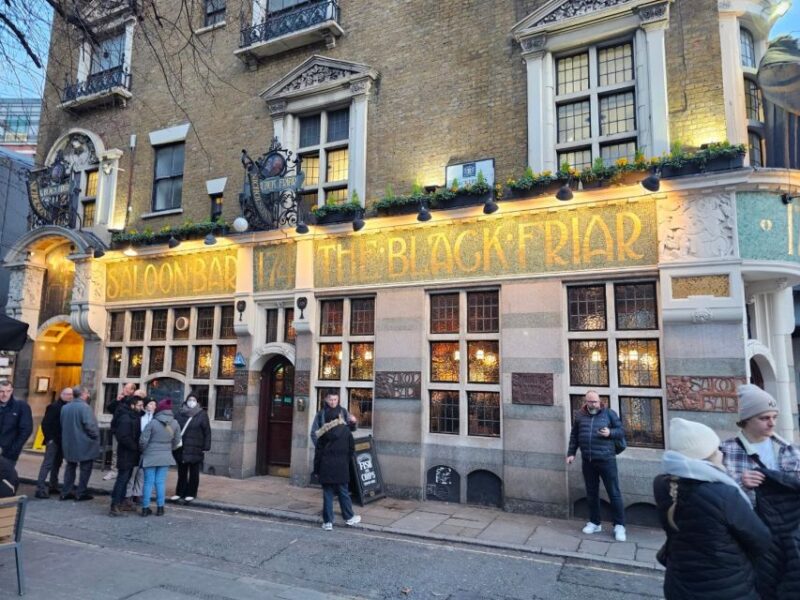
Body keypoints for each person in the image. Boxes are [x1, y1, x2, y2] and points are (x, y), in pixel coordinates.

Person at [654, 418, 770, 600]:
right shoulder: (724, 493)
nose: (721, 454)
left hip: (679, 584)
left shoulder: (662, 484)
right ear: (705, 455)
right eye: (716, 449)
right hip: (726, 586)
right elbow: (761, 539)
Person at [720, 384, 800, 599]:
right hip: (751, 534)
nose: (772, 422)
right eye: (764, 418)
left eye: (774, 416)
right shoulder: (725, 451)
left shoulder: (789, 449)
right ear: (746, 420)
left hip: (789, 534)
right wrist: (741, 483)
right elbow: (718, 498)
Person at [566, 390, 626, 541]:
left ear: (600, 401)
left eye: (595, 402)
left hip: (607, 460)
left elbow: (621, 431)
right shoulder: (580, 416)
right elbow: (575, 436)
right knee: (591, 493)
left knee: (614, 493)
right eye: (590, 402)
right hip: (588, 461)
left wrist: (610, 433)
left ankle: (619, 526)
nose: (593, 404)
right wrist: (571, 453)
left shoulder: (609, 414)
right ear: (585, 401)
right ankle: (594, 522)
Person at [312, 392, 361, 530]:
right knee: (343, 491)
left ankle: (328, 522)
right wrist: (345, 458)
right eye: (331, 399)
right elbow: (351, 446)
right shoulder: (322, 415)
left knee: (328, 493)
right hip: (341, 464)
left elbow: (318, 450)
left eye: (335, 399)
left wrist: (317, 467)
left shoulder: (323, 433)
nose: (333, 402)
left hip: (326, 464)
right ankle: (349, 517)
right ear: (326, 399)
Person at [139, 399, 181, 517]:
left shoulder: (153, 423)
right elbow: (177, 441)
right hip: (165, 456)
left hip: (150, 455)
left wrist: (144, 451)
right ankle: (160, 508)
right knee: (160, 482)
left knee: (148, 482)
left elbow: (143, 441)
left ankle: (145, 508)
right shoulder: (175, 423)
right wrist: (169, 449)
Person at [59, 385, 100, 501]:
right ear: (82, 394)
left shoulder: (65, 407)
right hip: (84, 442)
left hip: (69, 442)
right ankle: (80, 492)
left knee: (70, 467)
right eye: (87, 393)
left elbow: (62, 424)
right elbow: (90, 426)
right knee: (85, 468)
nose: (88, 395)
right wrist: (95, 436)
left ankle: (66, 491)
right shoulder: (85, 408)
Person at [171, 393, 211, 503]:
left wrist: (206, 446)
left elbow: (207, 431)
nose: (191, 401)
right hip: (181, 447)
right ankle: (180, 492)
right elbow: (173, 428)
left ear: (197, 402)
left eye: (193, 400)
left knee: (194, 472)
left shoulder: (202, 414)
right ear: (186, 401)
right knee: (182, 472)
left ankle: (191, 493)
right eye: (189, 399)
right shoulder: (179, 413)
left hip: (196, 447)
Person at [35, 387, 73, 498]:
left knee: (57, 464)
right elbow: (45, 423)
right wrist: (49, 439)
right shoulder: (54, 407)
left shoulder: (67, 407)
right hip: (53, 440)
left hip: (62, 440)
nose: (70, 397)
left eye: (71, 395)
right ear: (62, 394)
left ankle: (53, 485)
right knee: (47, 464)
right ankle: (40, 488)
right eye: (68, 394)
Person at [109, 395, 140, 517]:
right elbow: (123, 437)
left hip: (131, 454)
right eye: (139, 405)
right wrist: (135, 447)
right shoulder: (126, 418)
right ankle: (115, 504)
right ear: (132, 406)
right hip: (126, 453)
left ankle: (120, 502)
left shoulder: (133, 417)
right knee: (122, 479)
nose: (141, 407)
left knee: (125, 479)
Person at [0, 379, 33, 466]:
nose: (5, 394)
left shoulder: (21, 406)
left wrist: (12, 450)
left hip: (8, 454)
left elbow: (26, 430)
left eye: (8, 391)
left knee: (5, 478)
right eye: (1, 391)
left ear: (12, 391)